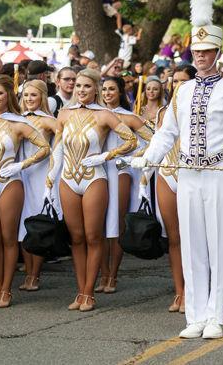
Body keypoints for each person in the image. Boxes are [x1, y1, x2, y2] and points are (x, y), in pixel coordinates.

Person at [131, 0, 223, 339]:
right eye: (197, 51)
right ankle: (194, 315)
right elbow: (167, 132)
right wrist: (150, 158)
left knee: (220, 243)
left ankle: (216, 316)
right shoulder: (182, 90)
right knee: (190, 245)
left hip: (221, 172)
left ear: (217, 52)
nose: (201, 56)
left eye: (207, 51)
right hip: (188, 173)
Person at [45, 69, 137, 311]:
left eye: (87, 86)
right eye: (77, 86)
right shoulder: (63, 114)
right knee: (75, 238)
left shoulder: (105, 115)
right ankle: (80, 291)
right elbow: (57, 148)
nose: (81, 90)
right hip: (67, 179)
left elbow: (132, 140)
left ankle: (89, 293)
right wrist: (50, 179)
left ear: (96, 89)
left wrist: (106, 156)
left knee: (93, 236)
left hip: (95, 178)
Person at [0, 75, 51, 308]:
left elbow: (44, 148)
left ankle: (6, 290)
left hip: (10, 183)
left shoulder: (19, 123)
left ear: (9, 96)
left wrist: (21, 165)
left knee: (9, 238)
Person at [145, 67, 197, 312]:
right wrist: (145, 176)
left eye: (183, 81)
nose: (177, 85)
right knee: (174, 237)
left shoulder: (200, 108)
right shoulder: (164, 111)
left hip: (193, 174)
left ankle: (195, 290)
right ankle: (180, 291)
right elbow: (159, 143)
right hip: (166, 174)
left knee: (194, 237)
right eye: (174, 81)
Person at [98, 77, 153, 294]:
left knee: (117, 223)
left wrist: (130, 159)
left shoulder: (129, 117)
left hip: (121, 172)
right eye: (104, 89)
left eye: (112, 89)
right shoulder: (96, 114)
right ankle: (102, 273)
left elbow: (152, 141)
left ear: (121, 92)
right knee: (99, 225)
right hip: (98, 171)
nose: (107, 93)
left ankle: (113, 275)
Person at [18, 80, 59, 292]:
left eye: (33, 95)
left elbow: (63, 134)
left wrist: (54, 168)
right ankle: (27, 272)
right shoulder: (17, 119)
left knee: (37, 224)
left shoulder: (47, 120)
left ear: (41, 97)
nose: (29, 100)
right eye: (26, 96)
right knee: (23, 225)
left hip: (41, 175)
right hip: (20, 174)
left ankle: (35, 275)